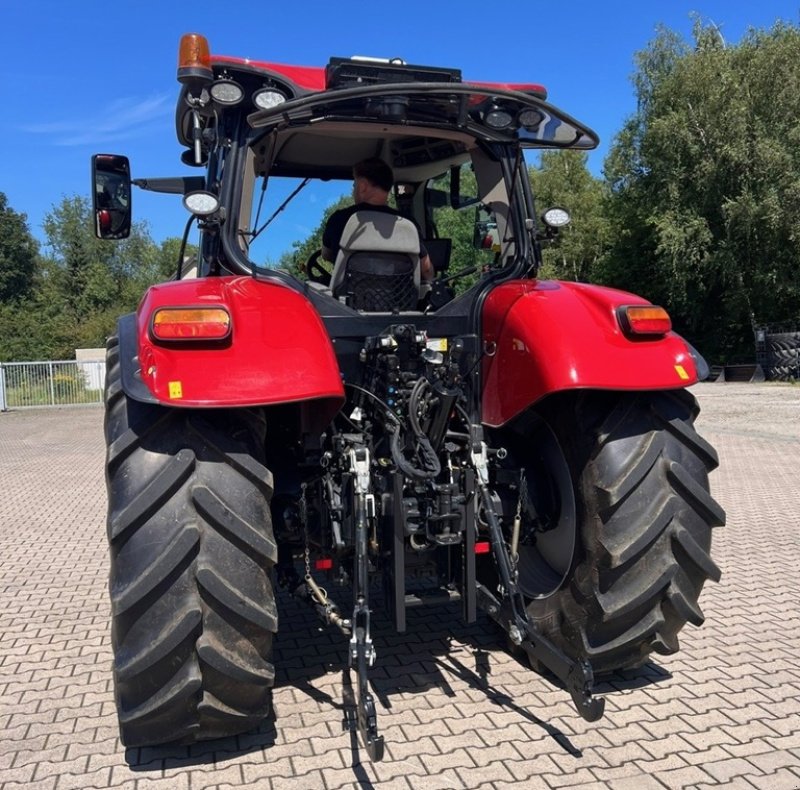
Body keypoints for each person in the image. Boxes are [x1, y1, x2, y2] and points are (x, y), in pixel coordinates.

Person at [321, 158, 434, 283]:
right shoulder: (408, 225)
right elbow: (427, 270)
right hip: (398, 300)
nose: (354, 190)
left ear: (362, 186)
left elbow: (326, 255)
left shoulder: (339, 219)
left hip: (347, 301)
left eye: (354, 185)